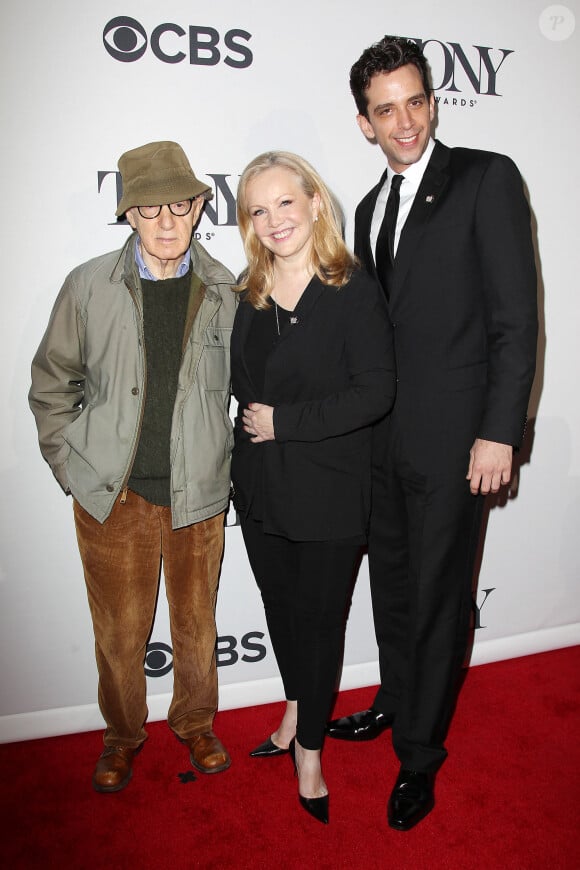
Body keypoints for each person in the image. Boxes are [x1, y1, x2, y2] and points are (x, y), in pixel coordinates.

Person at [326, 36, 538, 830]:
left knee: (443, 597)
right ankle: (394, 697)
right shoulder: (370, 206)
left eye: (416, 101)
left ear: (432, 102)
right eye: (387, 110)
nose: (406, 120)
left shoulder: (486, 177)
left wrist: (499, 434)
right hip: (384, 441)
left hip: (458, 443)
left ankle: (419, 756)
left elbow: (518, 322)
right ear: (365, 122)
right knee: (394, 587)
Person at [29, 141, 237, 793]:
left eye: (180, 205)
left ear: (202, 205)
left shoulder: (227, 290)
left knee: (197, 629)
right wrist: (74, 466)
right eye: (150, 209)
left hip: (198, 499)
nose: (168, 222)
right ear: (128, 215)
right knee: (120, 638)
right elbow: (51, 381)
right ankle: (121, 737)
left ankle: (197, 725)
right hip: (113, 503)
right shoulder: (88, 286)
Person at [230, 151, 396, 824]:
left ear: (316, 203)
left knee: (321, 622)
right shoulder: (251, 290)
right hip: (262, 485)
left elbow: (377, 391)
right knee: (280, 607)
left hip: (329, 490)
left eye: (285, 203)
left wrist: (289, 423)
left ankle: (309, 751)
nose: (274, 221)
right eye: (258, 211)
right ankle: (295, 705)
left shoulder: (351, 286)